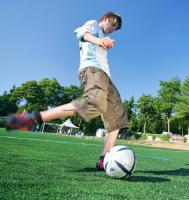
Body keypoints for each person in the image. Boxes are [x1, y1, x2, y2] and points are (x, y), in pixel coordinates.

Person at [4, 12, 128, 171]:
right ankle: (32, 118)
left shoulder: (104, 36)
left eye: (115, 28)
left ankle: (104, 159)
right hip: (92, 70)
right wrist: (99, 40)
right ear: (105, 19)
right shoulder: (94, 25)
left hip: (106, 76)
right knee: (95, 102)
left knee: (117, 116)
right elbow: (80, 32)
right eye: (112, 25)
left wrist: (103, 40)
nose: (113, 29)